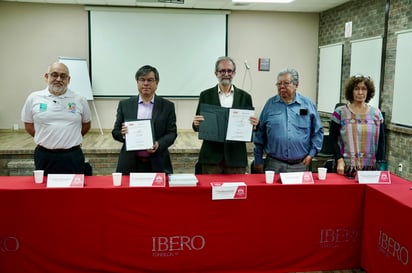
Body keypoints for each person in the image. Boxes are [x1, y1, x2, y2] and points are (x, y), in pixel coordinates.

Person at [21, 62, 92, 175]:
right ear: (46, 77)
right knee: (44, 191)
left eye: (63, 76)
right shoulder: (33, 98)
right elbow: (28, 124)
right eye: (54, 75)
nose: (58, 79)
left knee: (75, 191)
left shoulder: (79, 99)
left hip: (72, 155)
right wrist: (46, 137)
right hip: (44, 156)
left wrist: (71, 137)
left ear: (68, 80)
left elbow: (86, 124)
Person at [192, 56, 259, 174]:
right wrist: (196, 124)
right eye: (222, 71)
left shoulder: (245, 97)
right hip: (211, 157)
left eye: (229, 71)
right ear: (216, 73)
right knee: (210, 191)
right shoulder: (205, 95)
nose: (226, 74)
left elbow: (249, 127)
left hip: (236, 157)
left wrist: (253, 125)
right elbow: (197, 124)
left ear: (234, 73)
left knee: (236, 191)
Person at [253, 68, 323, 173]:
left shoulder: (308, 105)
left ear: (296, 85)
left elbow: (317, 132)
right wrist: (258, 159)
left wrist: (311, 154)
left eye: (286, 83)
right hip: (274, 164)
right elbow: (260, 133)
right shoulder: (270, 105)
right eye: (279, 83)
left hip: (301, 164)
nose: (281, 86)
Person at [112, 65, 177, 174]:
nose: (146, 83)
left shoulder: (167, 106)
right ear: (137, 82)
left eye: (150, 80)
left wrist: (158, 144)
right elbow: (115, 132)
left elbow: (172, 133)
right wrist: (123, 134)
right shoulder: (125, 105)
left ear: (157, 83)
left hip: (158, 163)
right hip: (130, 163)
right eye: (142, 80)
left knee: (158, 192)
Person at [329, 75, 386, 177]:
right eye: (356, 89)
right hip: (345, 168)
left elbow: (381, 142)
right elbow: (332, 138)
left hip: (370, 169)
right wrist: (339, 159)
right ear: (351, 91)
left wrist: (380, 165)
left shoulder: (377, 114)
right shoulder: (340, 112)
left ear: (368, 91)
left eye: (363, 89)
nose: (360, 92)